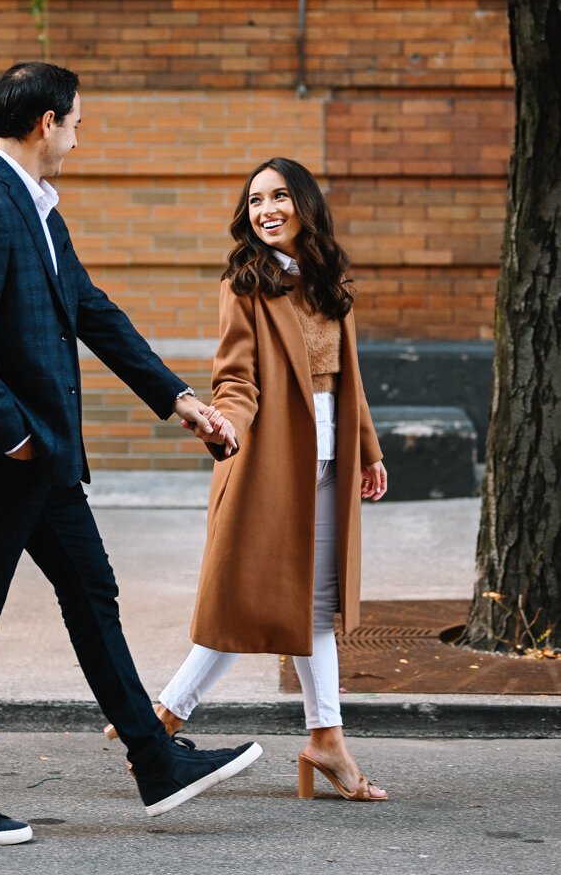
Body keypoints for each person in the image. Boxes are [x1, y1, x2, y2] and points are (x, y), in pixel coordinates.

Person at [0, 61, 261, 845]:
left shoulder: (35, 206)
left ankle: (154, 761)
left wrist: (180, 400)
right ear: (46, 123)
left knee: (93, 596)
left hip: (44, 458)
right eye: (76, 121)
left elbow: (90, 310)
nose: (79, 134)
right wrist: (17, 437)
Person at [141, 157, 389, 801]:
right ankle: (168, 719)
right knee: (252, 604)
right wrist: (229, 425)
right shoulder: (246, 283)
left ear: (305, 205)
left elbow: (348, 379)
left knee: (309, 609)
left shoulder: (331, 281)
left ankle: (319, 739)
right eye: (255, 201)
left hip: (333, 465)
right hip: (275, 463)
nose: (266, 210)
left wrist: (368, 449)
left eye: (279, 196)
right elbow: (236, 376)